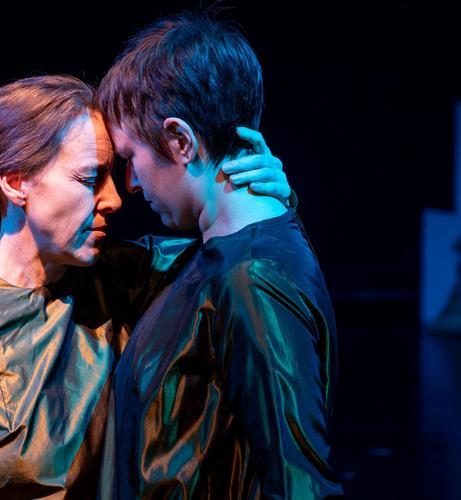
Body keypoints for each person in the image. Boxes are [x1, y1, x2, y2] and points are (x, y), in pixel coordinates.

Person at [0, 75, 290, 498]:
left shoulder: (122, 280)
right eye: (90, 178)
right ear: (16, 182)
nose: (114, 199)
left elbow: (243, 261)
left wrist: (269, 203)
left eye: (112, 176)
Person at [97, 11, 343, 499]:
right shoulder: (219, 258)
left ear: (181, 141)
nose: (131, 184)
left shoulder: (253, 279)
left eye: (130, 158)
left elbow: (299, 486)